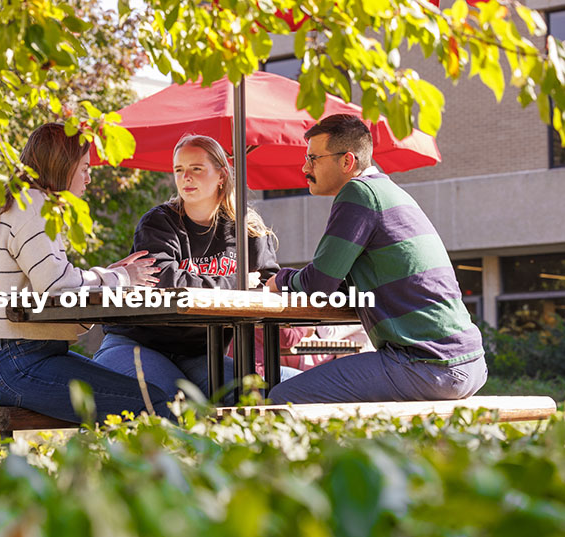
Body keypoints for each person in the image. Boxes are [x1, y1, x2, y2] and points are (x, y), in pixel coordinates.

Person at [265, 114, 486, 404]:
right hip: (468, 362)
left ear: (347, 162)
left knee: (283, 397)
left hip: (427, 363)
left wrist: (277, 280)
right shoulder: (391, 192)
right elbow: (343, 286)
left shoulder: (359, 193)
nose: (304, 168)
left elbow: (317, 285)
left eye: (313, 158)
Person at [0, 123, 174, 423]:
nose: (89, 179)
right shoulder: (33, 205)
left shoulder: (22, 203)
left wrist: (106, 276)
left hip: (8, 359)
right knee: (150, 402)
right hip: (16, 362)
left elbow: (55, 284)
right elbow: (58, 289)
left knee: (137, 401)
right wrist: (122, 278)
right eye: (84, 169)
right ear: (61, 166)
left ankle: (104, 469)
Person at [94, 134, 291, 400]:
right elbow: (164, 279)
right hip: (138, 343)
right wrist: (237, 283)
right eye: (179, 170)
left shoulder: (249, 230)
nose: (186, 177)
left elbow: (268, 286)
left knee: (251, 396)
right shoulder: (159, 223)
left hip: (202, 352)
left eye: (196, 169)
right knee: (168, 400)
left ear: (221, 175)